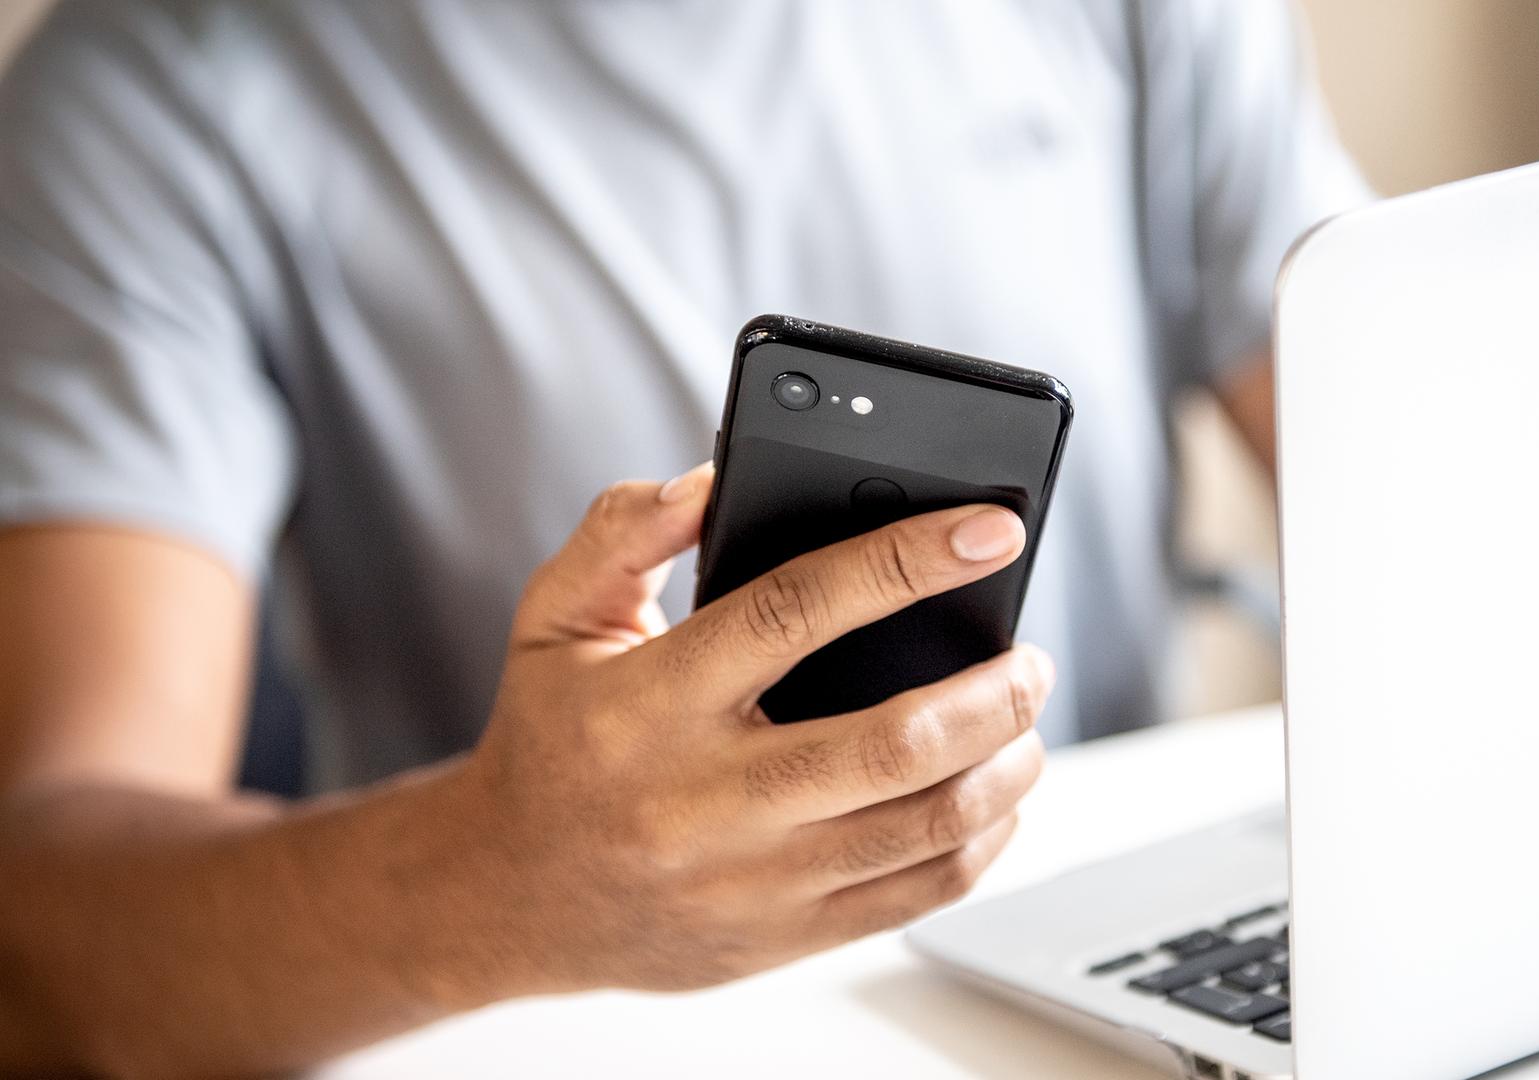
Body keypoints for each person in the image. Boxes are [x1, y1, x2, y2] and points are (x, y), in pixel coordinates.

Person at [0, 0, 1368, 1072]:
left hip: (1104, 982)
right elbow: (42, 945)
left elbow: (1422, 507)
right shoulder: (157, 95)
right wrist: (493, 881)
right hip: (562, 1030)